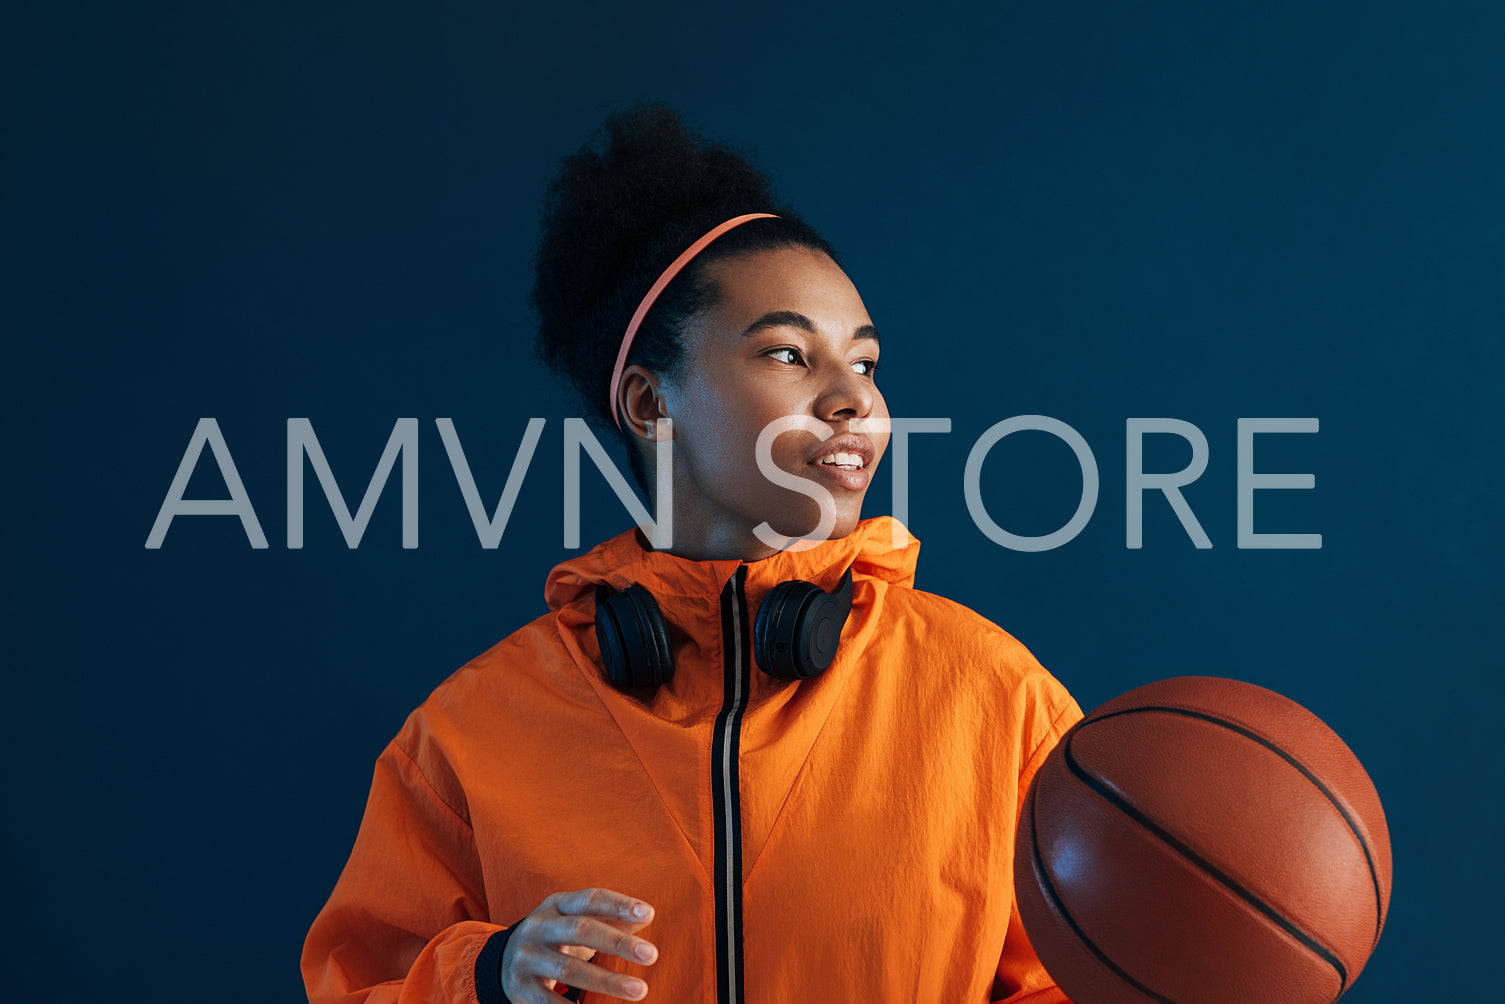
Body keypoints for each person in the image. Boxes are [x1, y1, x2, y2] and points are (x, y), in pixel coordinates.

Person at [301, 102, 1083, 1004]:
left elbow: (1077, 981)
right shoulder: (468, 735)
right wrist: (485, 976)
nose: (852, 402)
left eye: (864, 364)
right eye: (789, 354)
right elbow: (359, 985)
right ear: (649, 404)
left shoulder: (997, 697)